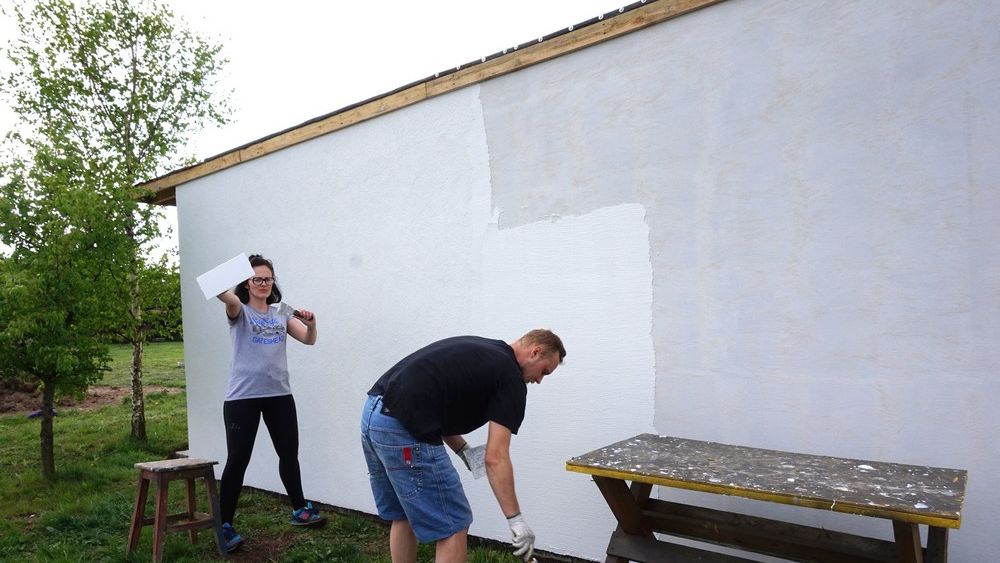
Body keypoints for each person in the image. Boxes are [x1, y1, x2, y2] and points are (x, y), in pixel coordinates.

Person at [361, 329, 566, 563]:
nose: (539, 380)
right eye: (544, 372)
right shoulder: (510, 378)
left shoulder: (487, 350)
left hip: (374, 415)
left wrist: (463, 450)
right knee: (454, 523)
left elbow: (437, 398)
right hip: (403, 428)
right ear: (535, 352)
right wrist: (516, 521)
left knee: (404, 514)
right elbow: (496, 457)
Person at [214, 254, 326, 552]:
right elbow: (217, 289)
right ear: (247, 284)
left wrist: (311, 324)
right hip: (242, 398)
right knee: (238, 460)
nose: (263, 284)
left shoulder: (281, 313)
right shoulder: (238, 310)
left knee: (289, 453)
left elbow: (308, 339)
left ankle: (300, 510)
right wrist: (235, 270)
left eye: (267, 279)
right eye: (256, 279)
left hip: (279, 395)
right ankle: (223, 525)